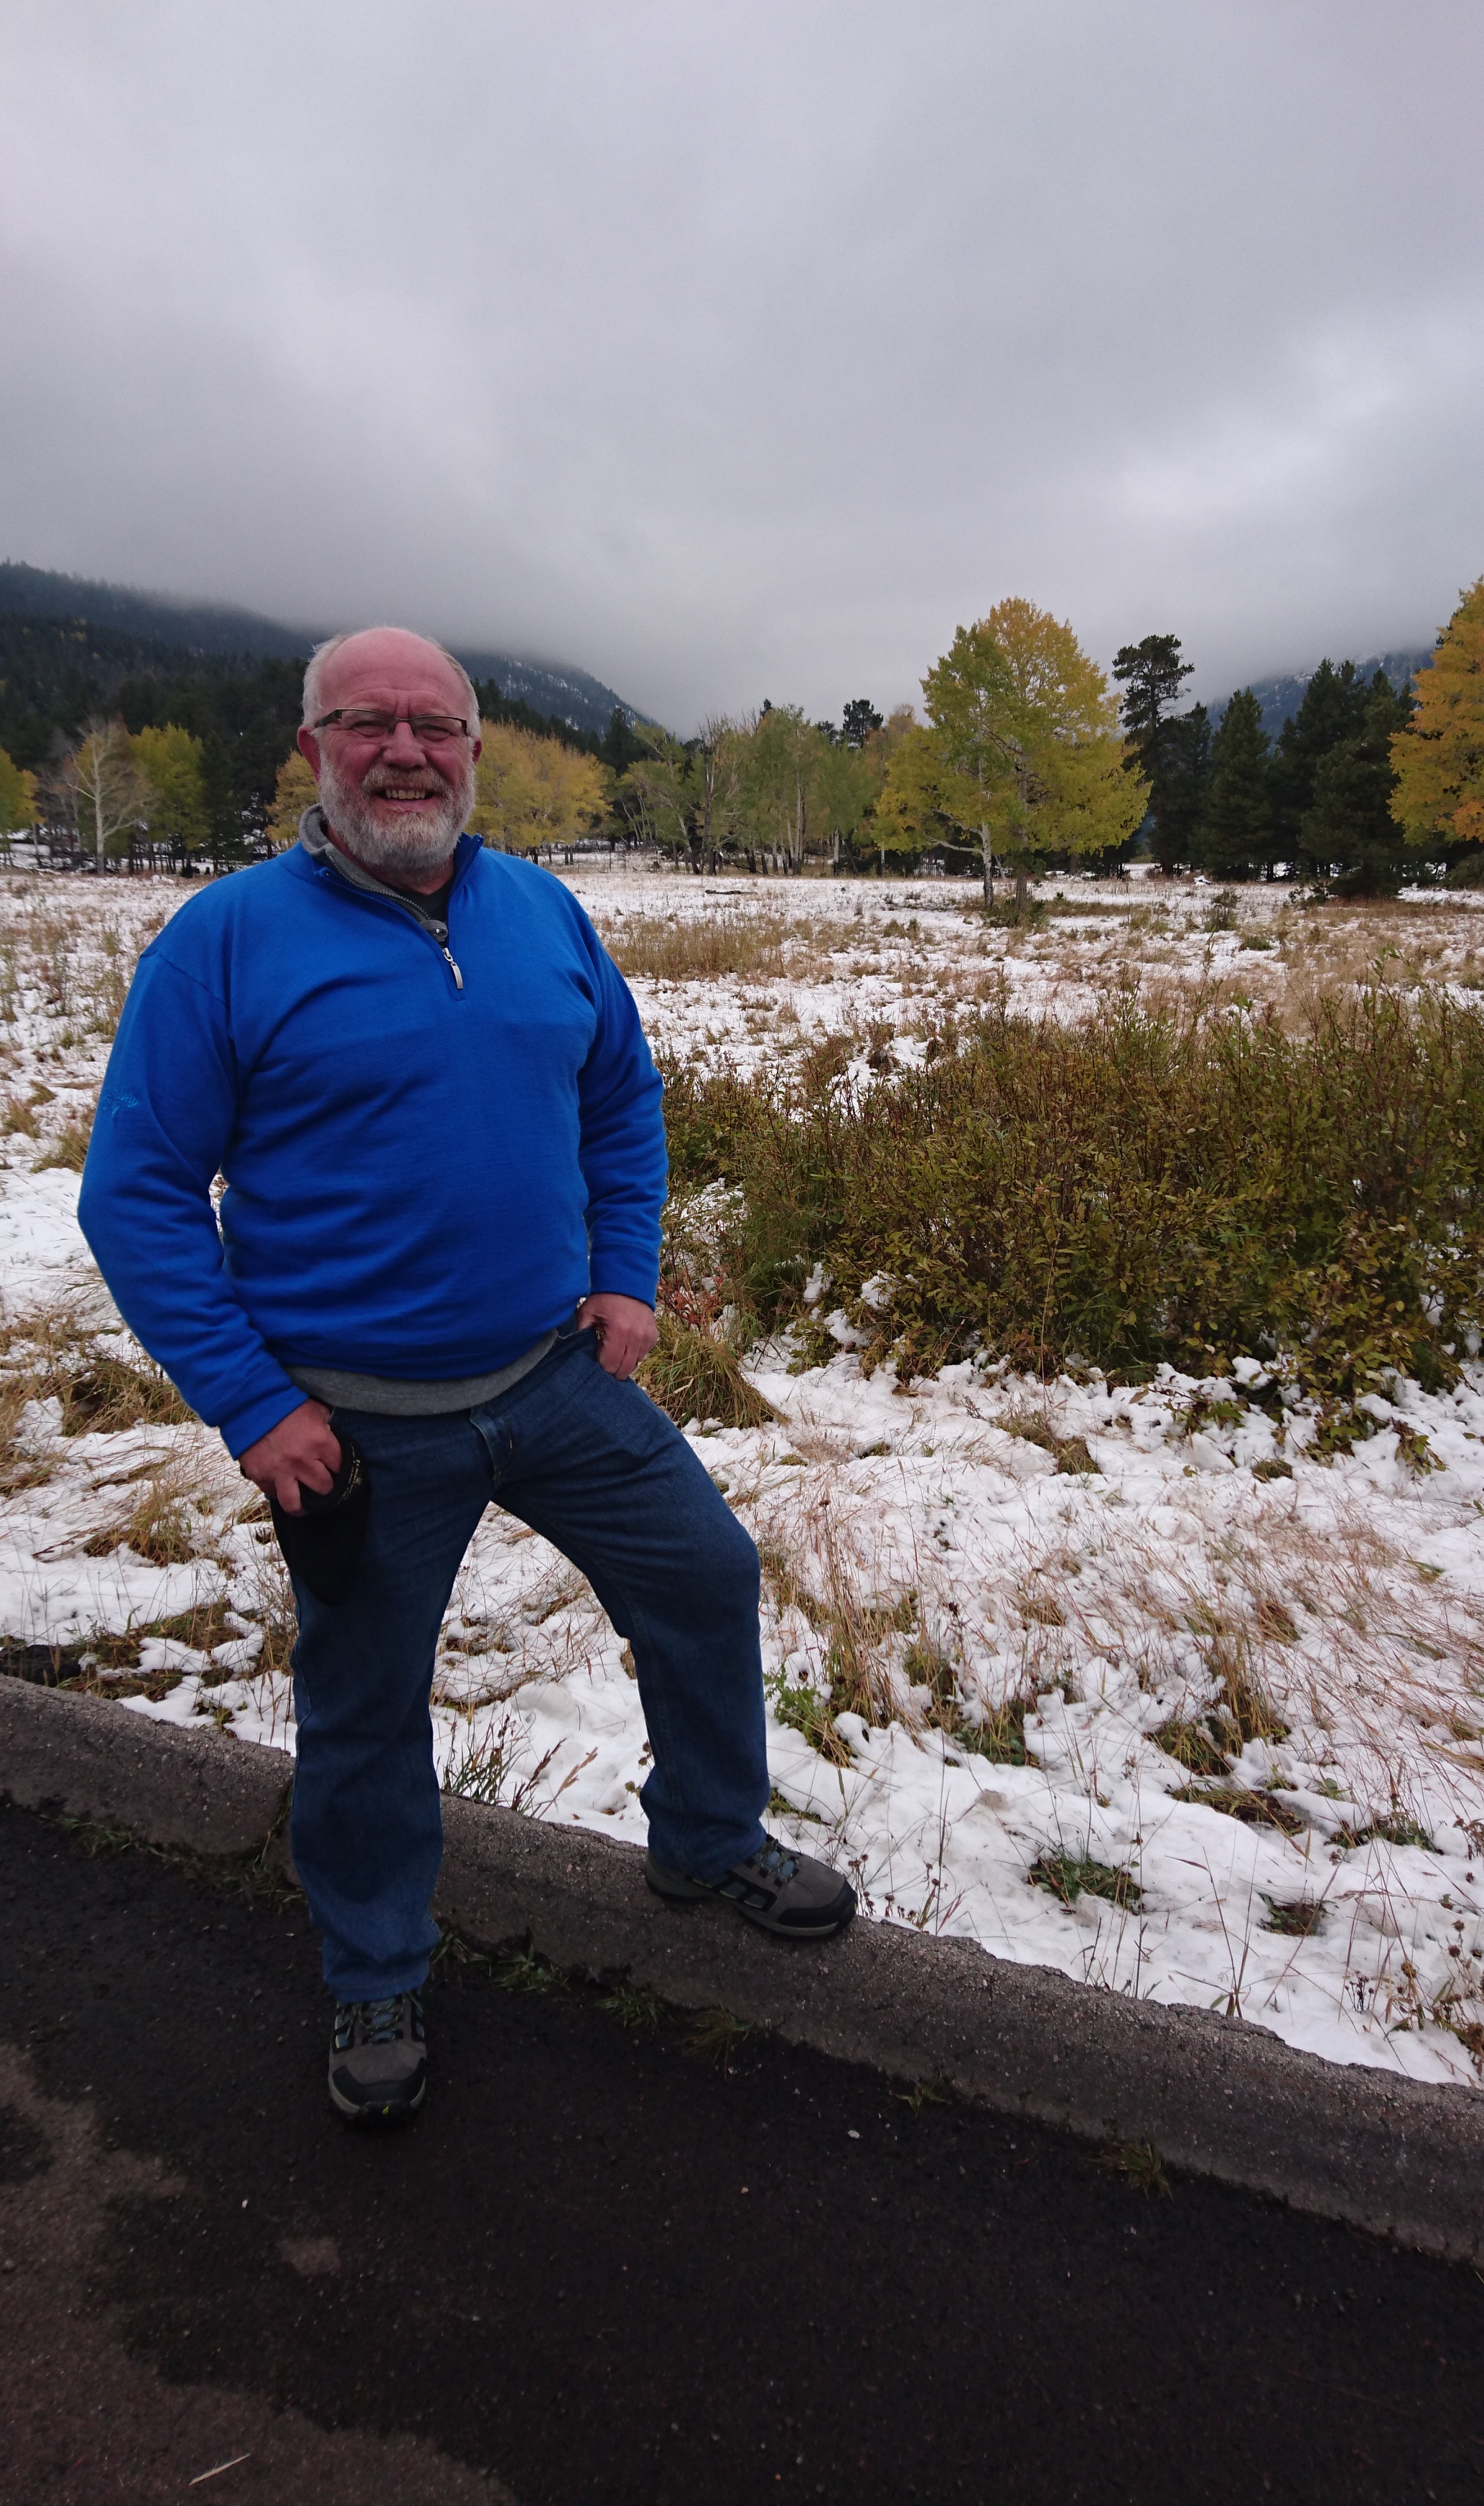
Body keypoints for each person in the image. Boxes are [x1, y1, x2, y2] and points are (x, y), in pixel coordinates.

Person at [78, 625, 854, 2124]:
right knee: (365, 1704)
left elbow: (620, 1097)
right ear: (312, 750)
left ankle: (707, 1838)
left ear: (474, 751)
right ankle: (376, 1964)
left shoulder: (541, 911)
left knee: (704, 1575)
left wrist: (625, 1271)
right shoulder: (224, 942)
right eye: (366, 722)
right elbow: (139, 1196)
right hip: (354, 1424)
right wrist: (253, 1403)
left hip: (552, 1376)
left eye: (434, 726)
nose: (404, 751)